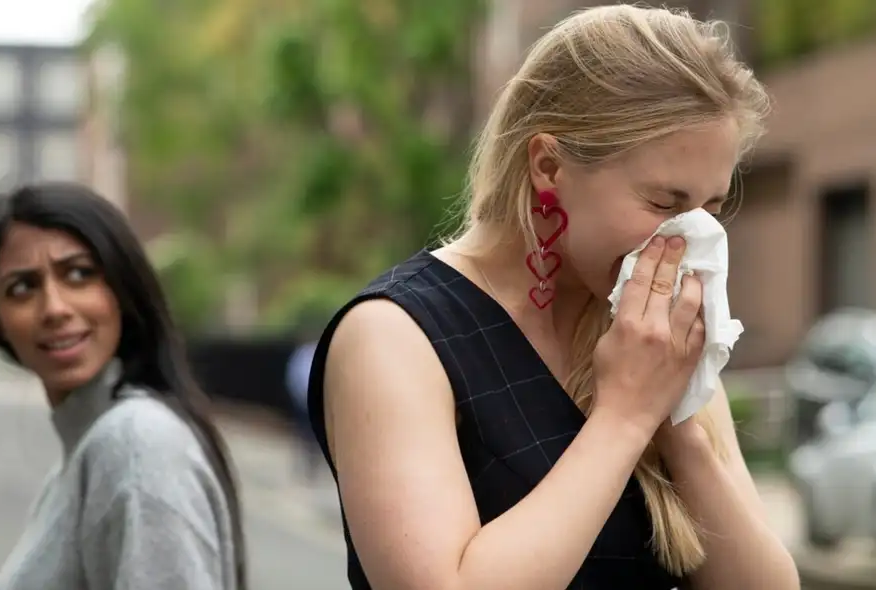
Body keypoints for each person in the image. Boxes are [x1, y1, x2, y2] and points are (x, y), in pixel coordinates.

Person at [308, 6, 799, 590]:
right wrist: (625, 417)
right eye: (664, 204)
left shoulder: (650, 333)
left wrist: (680, 429)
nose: (692, 237)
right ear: (548, 166)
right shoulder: (395, 336)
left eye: (711, 210)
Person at [0, 183, 245, 590]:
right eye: (22, 288)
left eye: (79, 274)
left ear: (122, 288)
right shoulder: (84, 455)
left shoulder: (135, 443)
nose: (55, 308)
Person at [285, 336, 323, 481]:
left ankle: (316, 463)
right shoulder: (302, 355)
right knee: (305, 434)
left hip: (317, 402)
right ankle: (307, 463)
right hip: (304, 402)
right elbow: (295, 378)